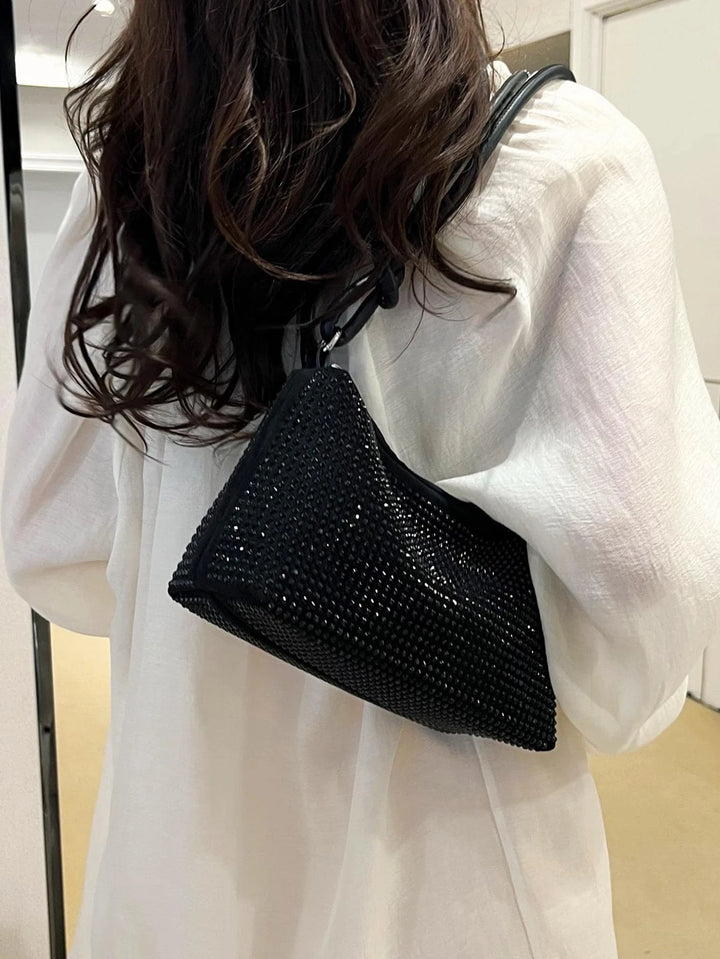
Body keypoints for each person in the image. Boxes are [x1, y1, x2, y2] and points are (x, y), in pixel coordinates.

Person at [3, 1, 720, 956]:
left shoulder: (135, 180)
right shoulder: (568, 161)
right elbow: (633, 653)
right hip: (452, 888)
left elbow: (50, 543)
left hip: (178, 857)